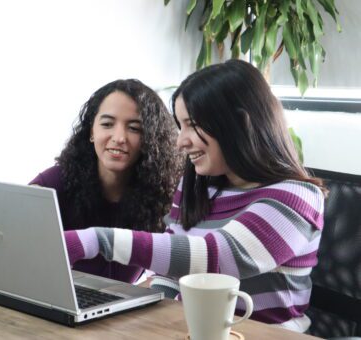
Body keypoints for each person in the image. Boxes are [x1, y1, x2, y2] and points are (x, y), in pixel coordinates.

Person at [64, 60, 326, 333]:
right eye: (181, 125)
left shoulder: (296, 197)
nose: (181, 141)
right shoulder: (199, 189)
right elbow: (172, 275)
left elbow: (218, 257)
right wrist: (142, 323)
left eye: (192, 125)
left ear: (239, 123)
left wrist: (96, 240)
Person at [30, 79, 181, 283]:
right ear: (92, 131)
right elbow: (16, 239)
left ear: (150, 138)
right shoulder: (55, 182)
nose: (119, 137)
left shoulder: (165, 193)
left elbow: (177, 262)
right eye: (107, 124)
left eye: (134, 128)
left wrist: (151, 287)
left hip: (125, 308)